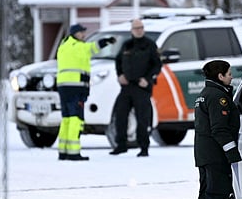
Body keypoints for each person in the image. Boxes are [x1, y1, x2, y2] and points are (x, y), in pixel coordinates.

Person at [193, 59, 242, 199]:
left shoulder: (204, 94)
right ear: (220, 76)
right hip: (215, 155)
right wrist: (232, 153)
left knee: (205, 195)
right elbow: (219, 129)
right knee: (216, 194)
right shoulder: (218, 97)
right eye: (229, 74)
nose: (231, 77)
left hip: (204, 154)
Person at [56, 23, 115, 161]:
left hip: (63, 87)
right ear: (75, 34)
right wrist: (105, 41)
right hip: (76, 87)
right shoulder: (79, 47)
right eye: (81, 33)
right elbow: (92, 48)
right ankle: (73, 152)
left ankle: (63, 151)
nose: (84, 35)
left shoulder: (63, 47)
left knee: (67, 119)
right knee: (76, 119)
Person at [110, 18, 162, 157]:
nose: (139, 30)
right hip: (127, 86)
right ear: (131, 30)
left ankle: (144, 147)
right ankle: (121, 145)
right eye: (136, 28)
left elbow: (157, 65)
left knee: (142, 119)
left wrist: (147, 79)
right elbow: (118, 61)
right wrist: (120, 75)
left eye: (141, 28)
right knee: (120, 115)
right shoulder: (126, 45)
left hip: (142, 87)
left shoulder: (150, 45)